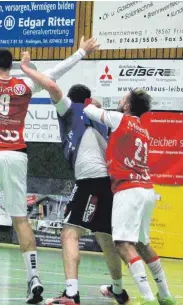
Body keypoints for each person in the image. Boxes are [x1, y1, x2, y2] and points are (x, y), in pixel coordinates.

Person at [0, 2, 100, 303]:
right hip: (17, 155)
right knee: (21, 218)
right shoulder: (24, 86)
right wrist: (81, 52)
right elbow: (55, 73)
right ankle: (34, 277)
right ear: (12, 66)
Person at [21, 63, 130, 304]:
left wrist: (26, 69)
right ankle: (119, 289)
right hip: (108, 183)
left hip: (90, 180)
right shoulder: (99, 117)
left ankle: (71, 293)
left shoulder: (70, 109)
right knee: (104, 237)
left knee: (69, 234)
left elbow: (50, 85)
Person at [84, 89, 177, 305]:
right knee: (143, 243)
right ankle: (165, 295)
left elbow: (88, 111)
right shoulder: (143, 130)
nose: (119, 100)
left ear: (127, 106)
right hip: (147, 189)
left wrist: (90, 101)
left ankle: (146, 297)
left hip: (129, 188)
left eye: (123, 98)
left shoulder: (120, 119)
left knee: (123, 244)